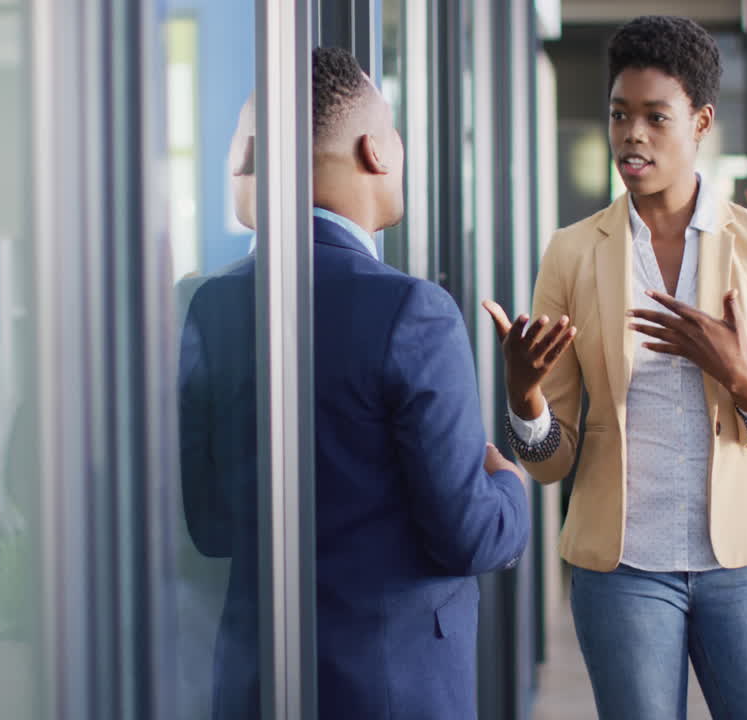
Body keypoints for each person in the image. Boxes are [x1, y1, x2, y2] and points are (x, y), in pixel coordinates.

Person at [482, 16, 747, 719]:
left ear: (702, 120)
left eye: (654, 117)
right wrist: (525, 400)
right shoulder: (573, 253)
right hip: (623, 573)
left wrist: (743, 379)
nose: (631, 135)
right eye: (620, 115)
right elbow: (555, 463)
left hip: (743, 567)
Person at [179, 47, 533, 719]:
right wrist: (509, 485)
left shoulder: (207, 307)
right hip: (393, 689)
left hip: (256, 684)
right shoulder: (411, 311)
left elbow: (211, 526)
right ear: (378, 150)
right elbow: (470, 535)